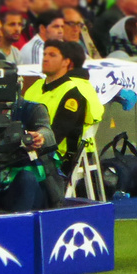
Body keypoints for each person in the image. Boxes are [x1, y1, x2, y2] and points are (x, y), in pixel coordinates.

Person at [24, 39, 103, 179]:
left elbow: (58, 133)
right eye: (45, 54)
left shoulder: (73, 92)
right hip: (28, 147)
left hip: (55, 155)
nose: (46, 58)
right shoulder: (35, 86)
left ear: (66, 62)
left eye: (52, 55)